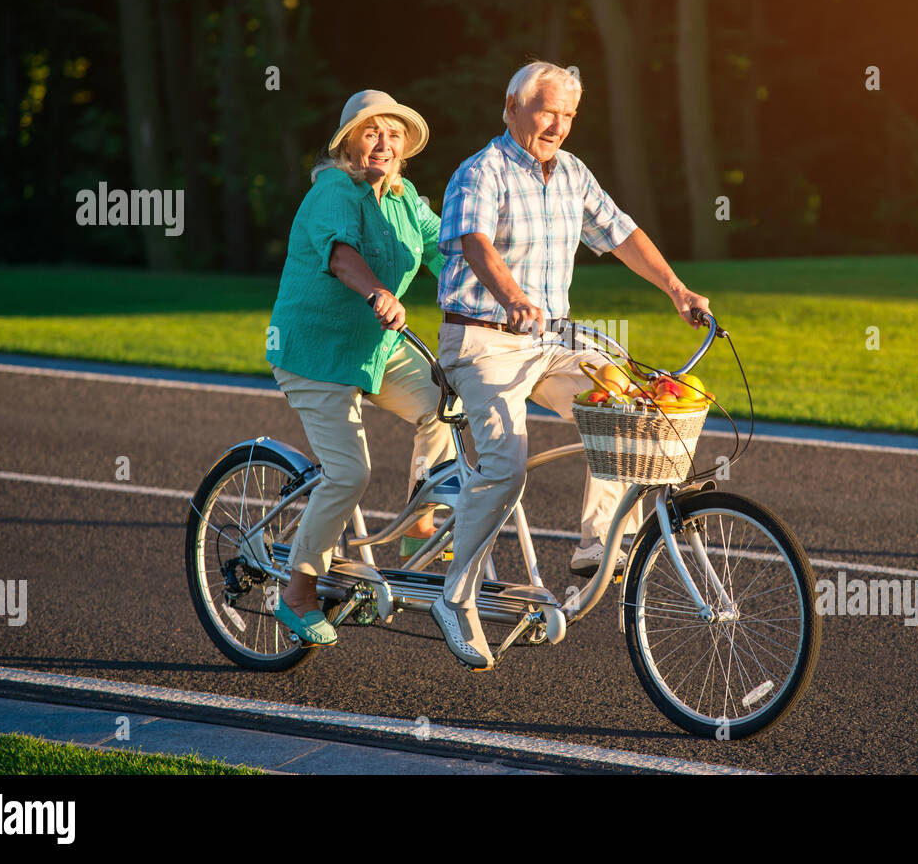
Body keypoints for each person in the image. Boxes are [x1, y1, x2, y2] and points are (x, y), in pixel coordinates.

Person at [429, 61, 711, 669]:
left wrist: (677, 291)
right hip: (481, 342)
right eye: (545, 111)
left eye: (568, 115)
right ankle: (455, 597)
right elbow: (476, 243)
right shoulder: (480, 172)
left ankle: (595, 546)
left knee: (629, 405)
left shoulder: (573, 174)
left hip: (545, 344)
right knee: (505, 469)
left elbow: (622, 233)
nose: (557, 124)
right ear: (512, 108)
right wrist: (514, 299)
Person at [265, 90, 453, 646]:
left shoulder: (405, 197)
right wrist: (377, 292)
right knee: (349, 473)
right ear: (348, 141)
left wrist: (492, 288)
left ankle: (420, 518)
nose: (384, 143)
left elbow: (447, 249)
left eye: (393, 135)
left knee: (448, 400)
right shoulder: (333, 191)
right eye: (372, 132)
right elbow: (341, 253)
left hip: (375, 347)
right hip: (316, 351)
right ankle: (297, 592)